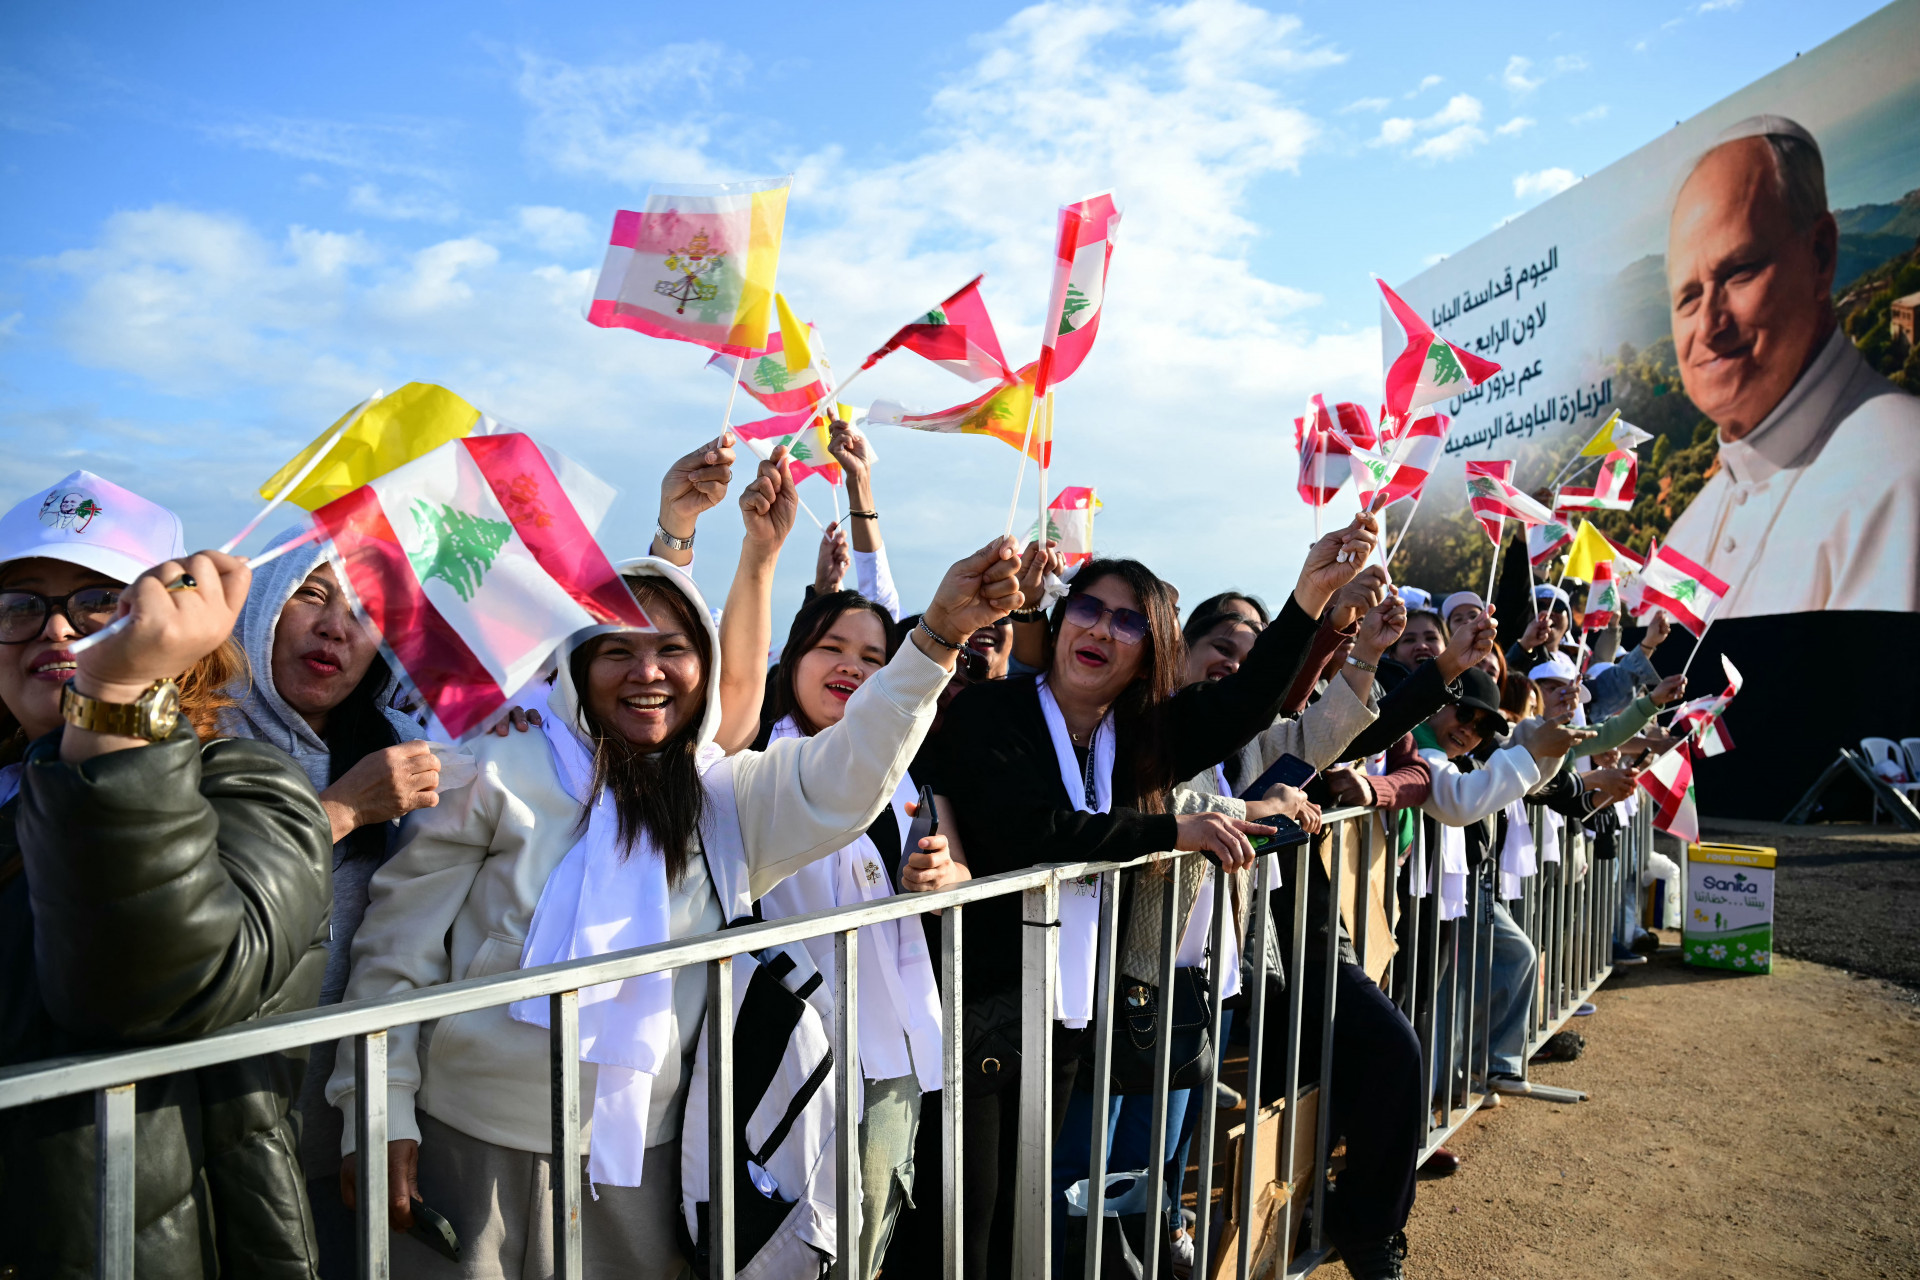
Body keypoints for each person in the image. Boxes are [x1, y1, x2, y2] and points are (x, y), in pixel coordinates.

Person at [327, 442, 1022, 1278]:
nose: (647, 671)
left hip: (649, 1166)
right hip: (470, 1147)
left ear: (707, 669)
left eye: (674, 649)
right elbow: (393, 958)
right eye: (616, 648)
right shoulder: (494, 771)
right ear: (577, 666)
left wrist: (938, 638)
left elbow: (849, 773)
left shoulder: (723, 799)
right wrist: (380, 1116)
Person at [928, 514, 1379, 1280]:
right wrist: (1174, 829)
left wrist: (1308, 597)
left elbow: (1241, 709)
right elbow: (1034, 831)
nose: (1100, 626)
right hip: (981, 1012)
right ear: (1061, 618)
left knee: (1026, 1223)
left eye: (1128, 619)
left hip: (1068, 1014)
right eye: (1088, 607)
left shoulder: (1132, 735)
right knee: (965, 1227)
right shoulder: (991, 711)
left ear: (1149, 655)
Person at [0, 473, 334, 1275]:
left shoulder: (251, 785)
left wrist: (111, 699)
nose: (55, 628)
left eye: (98, 601)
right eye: (18, 605)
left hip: (131, 1239)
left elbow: (150, 995)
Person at [221, 525, 443, 1275]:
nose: (335, 627)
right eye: (309, 594)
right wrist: (341, 810)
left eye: (364, 612)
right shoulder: (188, 741)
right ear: (258, 609)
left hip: (344, 1137)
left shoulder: (405, 747)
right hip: (212, 1136)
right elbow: (188, 917)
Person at [753, 587, 969, 1276]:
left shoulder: (905, 777)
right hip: (792, 1058)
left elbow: (957, 876)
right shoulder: (750, 766)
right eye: (831, 648)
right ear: (790, 657)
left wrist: (943, 875)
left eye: (874, 656)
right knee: (790, 1242)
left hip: (889, 1056)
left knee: (869, 1237)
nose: (851, 667)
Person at [1661, 115, 1920, 616]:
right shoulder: (1680, 543)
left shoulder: (1902, 476)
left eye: (1739, 272)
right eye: (1688, 298)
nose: (1710, 325)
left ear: (1820, 256)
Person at [1413, 672, 1592, 1098]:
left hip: (1459, 884)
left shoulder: (1448, 747)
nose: (1468, 730)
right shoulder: (1416, 740)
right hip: (1425, 890)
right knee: (1435, 999)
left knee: (1455, 992)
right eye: (1463, 713)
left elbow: (1512, 769)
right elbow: (1459, 800)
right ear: (1439, 700)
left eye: (1481, 727)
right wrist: (1536, 750)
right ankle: (1433, 1100)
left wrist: (1544, 741)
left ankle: (1456, 1085)